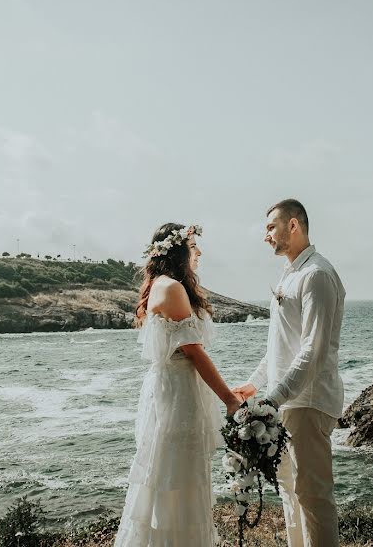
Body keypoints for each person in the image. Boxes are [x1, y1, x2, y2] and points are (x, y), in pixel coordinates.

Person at [114, 222, 242, 547]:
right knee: (178, 478)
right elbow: (194, 353)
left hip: (169, 392)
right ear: (179, 251)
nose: (198, 252)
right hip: (177, 397)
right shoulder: (171, 288)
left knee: (167, 476)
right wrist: (229, 399)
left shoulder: (162, 284)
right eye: (193, 246)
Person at [234, 199, 346, 547]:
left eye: (271, 227)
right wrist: (255, 386)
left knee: (313, 497)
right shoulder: (292, 272)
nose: (266, 235)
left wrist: (274, 397)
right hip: (285, 403)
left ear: (293, 225)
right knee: (288, 492)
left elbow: (311, 351)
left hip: (308, 401)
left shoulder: (317, 275)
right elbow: (280, 346)